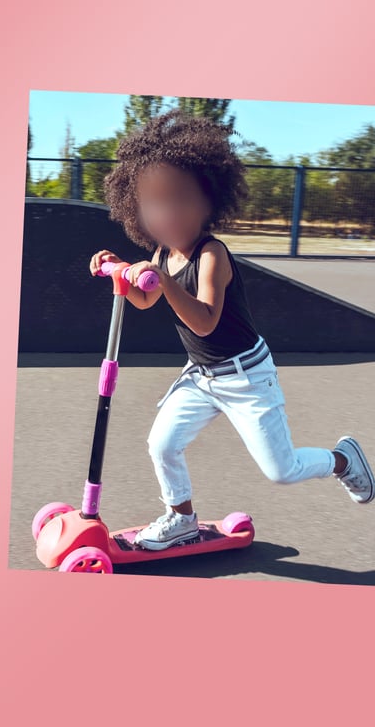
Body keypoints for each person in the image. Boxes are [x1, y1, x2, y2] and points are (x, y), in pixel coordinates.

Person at [89, 110, 374, 551]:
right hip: (202, 376)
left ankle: (342, 460)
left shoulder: (211, 255)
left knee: (281, 470)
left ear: (209, 200)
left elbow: (204, 319)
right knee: (162, 444)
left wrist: (161, 280)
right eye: (156, 203)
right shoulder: (164, 252)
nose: (169, 212)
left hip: (247, 376)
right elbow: (146, 300)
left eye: (182, 200)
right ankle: (180, 518)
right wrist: (120, 277)